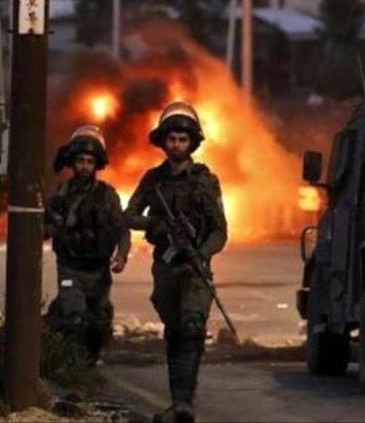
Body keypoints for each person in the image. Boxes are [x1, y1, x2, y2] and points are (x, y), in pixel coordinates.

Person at [124, 101, 227, 423]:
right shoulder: (153, 180)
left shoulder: (205, 181)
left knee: (192, 328)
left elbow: (220, 231)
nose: (177, 144)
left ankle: (184, 403)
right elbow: (129, 215)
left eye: (183, 139)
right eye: (172, 139)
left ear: (192, 142)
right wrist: (157, 226)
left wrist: (202, 252)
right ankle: (177, 402)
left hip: (194, 267)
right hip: (166, 267)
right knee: (175, 332)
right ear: (163, 141)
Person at [44, 124, 130, 366]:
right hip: (70, 268)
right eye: (80, 161)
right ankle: (70, 366)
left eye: (89, 161)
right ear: (73, 163)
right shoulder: (61, 195)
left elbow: (121, 228)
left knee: (98, 322)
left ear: (97, 164)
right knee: (75, 318)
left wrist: (122, 255)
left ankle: (87, 365)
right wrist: (51, 227)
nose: (84, 166)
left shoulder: (107, 195)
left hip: (99, 270)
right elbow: (44, 228)